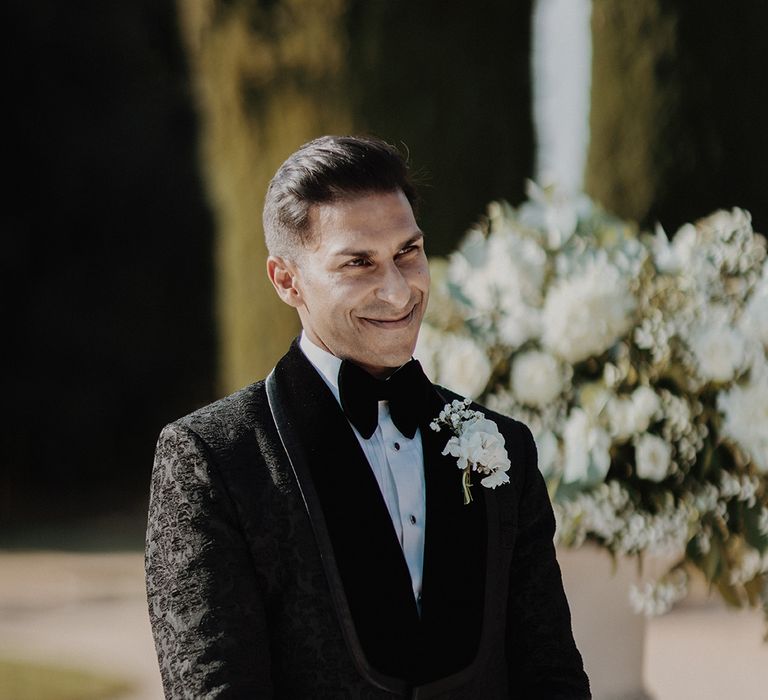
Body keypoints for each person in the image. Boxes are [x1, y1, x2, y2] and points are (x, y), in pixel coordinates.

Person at [145, 135, 590, 699]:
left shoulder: (504, 447)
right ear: (286, 280)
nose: (398, 289)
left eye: (408, 252)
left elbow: (551, 675)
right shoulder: (212, 460)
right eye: (359, 263)